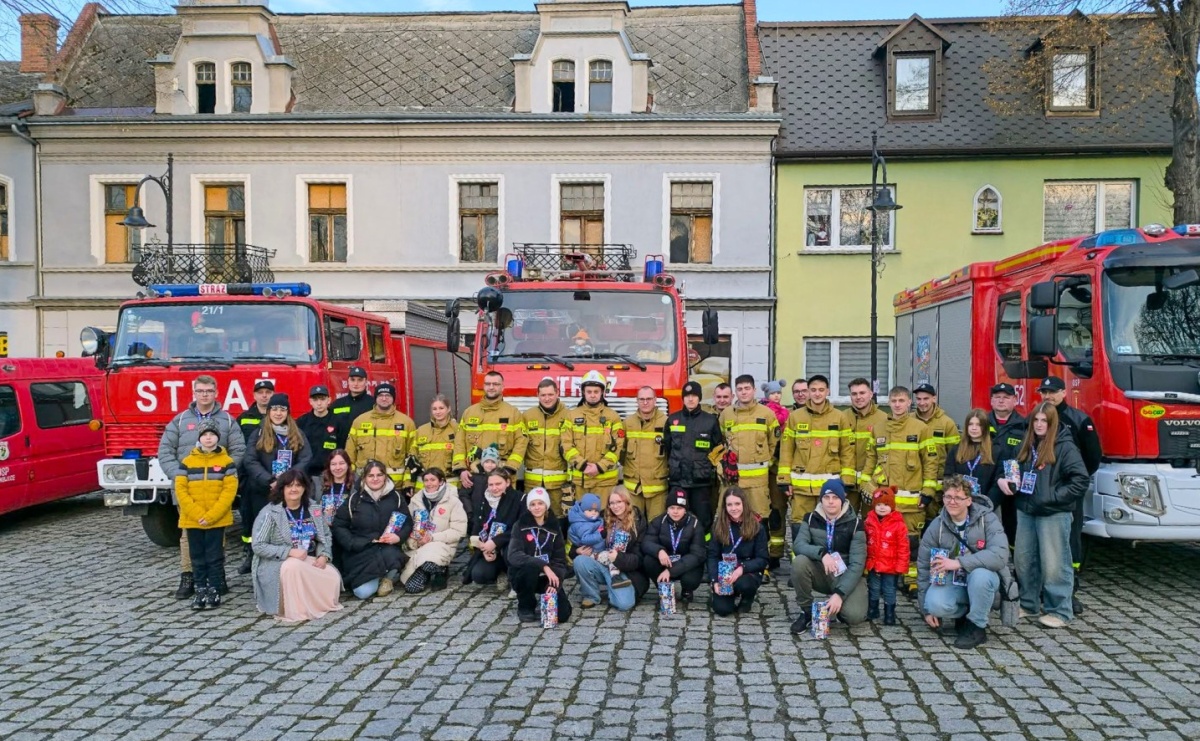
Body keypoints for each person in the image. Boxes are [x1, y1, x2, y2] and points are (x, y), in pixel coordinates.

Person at [157, 374, 245, 599]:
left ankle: (217, 577)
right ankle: (189, 576)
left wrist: (225, 473)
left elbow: (238, 450)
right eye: (200, 391)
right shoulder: (179, 421)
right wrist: (180, 475)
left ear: (216, 393)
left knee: (217, 533)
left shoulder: (227, 421)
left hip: (217, 489)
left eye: (209, 391)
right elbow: (165, 451)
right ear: (194, 393)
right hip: (188, 490)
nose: (205, 395)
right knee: (188, 534)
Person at [1012, 400, 1090, 628]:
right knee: (1024, 560)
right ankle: (1029, 603)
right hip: (1026, 510)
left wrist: (1052, 497)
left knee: (1055, 563)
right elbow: (1017, 471)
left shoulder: (1065, 446)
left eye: (1044, 421)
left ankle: (1060, 610)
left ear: (1052, 422)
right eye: (1035, 420)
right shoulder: (1028, 444)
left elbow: (1080, 479)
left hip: (1053, 513)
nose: (1039, 424)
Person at [917, 474, 1010, 649]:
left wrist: (959, 563)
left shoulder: (987, 519)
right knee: (934, 604)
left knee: (981, 576)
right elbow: (923, 567)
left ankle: (977, 626)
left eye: (958, 498)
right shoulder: (937, 525)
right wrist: (925, 610)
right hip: (954, 581)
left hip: (984, 580)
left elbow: (1000, 555)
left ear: (968, 500)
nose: (952, 502)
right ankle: (965, 614)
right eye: (948, 497)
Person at [1037, 375, 1101, 616]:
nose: (1048, 396)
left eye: (1052, 392)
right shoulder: (1036, 419)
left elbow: (1092, 458)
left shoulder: (1079, 420)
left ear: (1064, 393)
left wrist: (1073, 484)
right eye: (1044, 392)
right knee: (1043, 539)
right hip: (1041, 492)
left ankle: (1070, 589)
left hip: (1068, 493)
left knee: (1070, 539)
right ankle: (1042, 587)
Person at [250, 469, 344, 622]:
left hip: (309, 558)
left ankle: (314, 603)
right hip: (278, 563)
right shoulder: (270, 513)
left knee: (332, 575)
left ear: (305, 488)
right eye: (289, 486)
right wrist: (289, 552)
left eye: (298, 485)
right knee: (293, 566)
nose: (294, 489)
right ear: (282, 489)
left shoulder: (314, 509)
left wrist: (324, 555)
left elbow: (325, 536)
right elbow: (258, 546)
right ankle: (297, 608)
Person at [873, 386, 939, 586]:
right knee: (886, 540)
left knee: (911, 542)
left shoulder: (920, 428)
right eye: (894, 401)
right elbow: (871, 460)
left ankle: (911, 581)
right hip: (887, 501)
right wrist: (868, 487)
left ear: (909, 402)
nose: (897, 405)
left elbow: (930, 461)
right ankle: (888, 578)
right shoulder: (879, 428)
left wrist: (928, 491)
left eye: (901, 401)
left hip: (912, 500)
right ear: (888, 403)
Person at [174, 419, 239, 610]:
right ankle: (200, 589)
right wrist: (196, 514)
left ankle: (215, 589)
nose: (208, 438)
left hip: (216, 520)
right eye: (204, 435)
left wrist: (211, 516)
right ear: (199, 438)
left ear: (218, 437)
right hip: (193, 520)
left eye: (212, 434)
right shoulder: (187, 462)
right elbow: (181, 490)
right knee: (197, 557)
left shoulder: (227, 463)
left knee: (215, 557)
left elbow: (229, 492)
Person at [789, 479, 869, 633]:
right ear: (821, 499)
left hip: (846, 574)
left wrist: (839, 594)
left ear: (842, 500)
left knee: (854, 616)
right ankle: (806, 612)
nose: (830, 502)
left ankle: (840, 608)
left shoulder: (856, 524)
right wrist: (822, 554)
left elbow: (857, 564)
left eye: (835, 497)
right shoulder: (810, 518)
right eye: (826, 497)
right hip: (822, 571)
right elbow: (798, 545)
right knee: (799, 562)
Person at [243, 393, 313, 569]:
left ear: (288, 412)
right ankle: (257, 562)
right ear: (269, 411)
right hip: (263, 490)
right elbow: (250, 460)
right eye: (274, 409)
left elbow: (305, 458)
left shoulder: (297, 433)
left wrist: (289, 481)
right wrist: (269, 480)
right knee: (262, 527)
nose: (278, 413)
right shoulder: (259, 433)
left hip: (290, 490)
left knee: (287, 528)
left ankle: (289, 560)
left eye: (282, 409)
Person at [779, 374, 854, 526]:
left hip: (830, 491)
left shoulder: (840, 417)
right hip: (801, 489)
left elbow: (847, 452)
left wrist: (847, 482)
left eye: (821, 390)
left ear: (828, 391)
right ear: (808, 392)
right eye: (813, 390)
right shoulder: (795, 417)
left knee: (827, 528)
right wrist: (784, 480)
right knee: (800, 525)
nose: (817, 394)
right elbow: (786, 450)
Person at [331, 460, 411, 599]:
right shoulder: (354, 499)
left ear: (385, 476)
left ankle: (390, 576)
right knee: (363, 593)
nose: (375, 479)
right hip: (361, 551)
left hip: (387, 550)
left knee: (392, 557)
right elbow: (339, 524)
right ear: (364, 478)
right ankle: (384, 576)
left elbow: (407, 522)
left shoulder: (396, 498)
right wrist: (351, 543)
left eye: (379, 475)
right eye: (371, 475)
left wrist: (398, 537)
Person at [719, 374, 781, 529]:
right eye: (740, 389)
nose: (743, 392)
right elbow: (721, 442)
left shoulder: (766, 414)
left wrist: (767, 462)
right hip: (733, 480)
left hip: (758, 483)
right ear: (735, 392)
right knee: (731, 519)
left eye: (747, 388)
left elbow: (774, 443)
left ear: (754, 390)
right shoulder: (726, 414)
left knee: (759, 520)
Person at [572, 487, 648, 611]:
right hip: (602, 563)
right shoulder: (602, 517)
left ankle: (615, 590)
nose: (615, 506)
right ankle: (591, 596)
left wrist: (618, 558)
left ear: (627, 502)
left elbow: (639, 559)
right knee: (580, 561)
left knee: (624, 604)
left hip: (625, 570)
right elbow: (583, 536)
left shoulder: (638, 522)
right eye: (612, 503)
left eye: (619, 502)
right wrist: (576, 550)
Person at [663, 381, 723, 530]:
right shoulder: (672, 420)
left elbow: (717, 449)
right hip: (678, 482)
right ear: (683, 398)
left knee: (703, 521)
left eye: (694, 396)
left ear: (699, 398)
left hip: (701, 483)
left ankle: (704, 544)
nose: (690, 399)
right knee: (677, 519)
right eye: (687, 396)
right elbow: (668, 448)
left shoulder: (710, 421)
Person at [508, 487, 573, 624]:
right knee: (530, 567)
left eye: (540, 503)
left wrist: (554, 582)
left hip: (547, 576)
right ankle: (526, 605)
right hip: (524, 574)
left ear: (546, 505)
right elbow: (514, 555)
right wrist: (543, 566)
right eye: (533, 504)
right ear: (528, 507)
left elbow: (559, 559)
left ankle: (549, 597)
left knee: (562, 615)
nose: (537, 507)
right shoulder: (519, 525)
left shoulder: (554, 527)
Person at [453, 371, 528, 489]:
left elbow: (521, 442)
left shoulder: (513, 413)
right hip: (474, 476)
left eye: (496, 384)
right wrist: (461, 469)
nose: (491, 387)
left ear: (502, 387)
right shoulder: (469, 412)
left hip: (502, 475)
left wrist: (509, 468)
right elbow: (459, 443)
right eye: (488, 384)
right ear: (483, 386)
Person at [561, 370, 625, 508]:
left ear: (602, 393)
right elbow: (566, 445)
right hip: (579, 483)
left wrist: (599, 467)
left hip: (605, 484)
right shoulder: (571, 416)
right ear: (583, 392)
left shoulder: (613, 417)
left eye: (596, 391)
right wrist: (583, 466)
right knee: (580, 518)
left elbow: (618, 447)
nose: (592, 395)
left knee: (605, 518)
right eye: (589, 391)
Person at [399, 467, 468, 593]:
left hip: (441, 544)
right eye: (426, 480)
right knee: (412, 587)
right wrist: (412, 537)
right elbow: (407, 524)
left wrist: (432, 538)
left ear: (441, 481)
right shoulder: (416, 500)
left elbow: (459, 531)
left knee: (429, 561)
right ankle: (425, 570)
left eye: (433, 480)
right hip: (418, 546)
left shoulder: (453, 501)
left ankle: (441, 570)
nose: (429, 483)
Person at [707, 486, 769, 615]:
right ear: (724, 506)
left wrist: (742, 568)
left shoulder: (757, 526)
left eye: (737, 504)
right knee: (722, 610)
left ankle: (747, 598)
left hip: (747, 571)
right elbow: (712, 556)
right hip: (725, 572)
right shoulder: (718, 525)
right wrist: (714, 581)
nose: (733, 508)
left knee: (745, 584)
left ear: (744, 504)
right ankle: (730, 594)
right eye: (729, 505)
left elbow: (762, 559)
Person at [641, 489, 706, 605]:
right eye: (672, 508)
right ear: (667, 509)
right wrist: (659, 551)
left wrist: (670, 571)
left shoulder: (695, 524)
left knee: (691, 578)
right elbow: (646, 542)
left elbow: (697, 555)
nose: (675, 512)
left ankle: (687, 591)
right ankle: (664, 588)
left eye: (679, 508)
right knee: (648, 560)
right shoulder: (658, 521)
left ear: (685, 510)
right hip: (666, 560)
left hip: (685, 563)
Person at [346, 382, 417, 487]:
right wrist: (350, 479)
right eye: (380, 395)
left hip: (395, 486)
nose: (384, 398)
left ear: (393, 398)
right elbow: (349, 453)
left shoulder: (407, 423)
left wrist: (408, 484)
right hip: (364, 485)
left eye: (388, 395)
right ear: (375, 398)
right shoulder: (359, 421)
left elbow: (413, 456)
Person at [463, 468, 523, 587]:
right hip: (491, 548)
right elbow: (478, 525)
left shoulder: (519, 499)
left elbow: (520, 528)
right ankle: (501, 572)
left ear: (507, 482)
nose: (494, 488)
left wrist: (495, 542)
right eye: (491, 484)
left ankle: (513, 576)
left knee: (510, 552)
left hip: (510, 545)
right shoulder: (485, 499)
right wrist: (483, 547)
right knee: (479, 575)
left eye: (498, 484)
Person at [522, 378, 571, 516]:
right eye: (543, 395)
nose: (547, 398)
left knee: (557, 518)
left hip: (558, 484)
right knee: (532, 517)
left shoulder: (568, 416)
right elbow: (520, 444)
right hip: (532, 483)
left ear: (557, 393)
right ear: (537, 395)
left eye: (550, 394)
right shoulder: (527, 416)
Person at [913, 383, 961, 520]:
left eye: (926, 399)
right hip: (914, 483)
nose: (922, 403)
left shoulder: (947, 423)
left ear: (934, 398)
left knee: (935, 522)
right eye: (919, 399)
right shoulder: (909, 420)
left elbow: (956, 456)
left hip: (938, 487)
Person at [621, 386, 669, 520]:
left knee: (657, 525)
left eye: (649, 399)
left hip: (657, 488)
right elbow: (621, 452)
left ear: (655, 400)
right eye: (641, 399)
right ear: (637, 401)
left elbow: (671, 453)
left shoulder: (666, 422)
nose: (645, 402)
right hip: (633, 488)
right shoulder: (628, 423)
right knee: (633, 525)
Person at [864, 486, 909, 625]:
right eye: (878, 505)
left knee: (889, 590)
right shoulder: (869, 521)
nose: (882, 508)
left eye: (886, 504)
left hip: (891, 566)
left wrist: (901, 566)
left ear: (892, 506)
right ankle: (873, 610)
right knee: (874, 588)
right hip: (874, 563)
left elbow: (903, 547)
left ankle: (889, 613)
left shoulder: (899, 524)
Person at [989, 383, 1026, 544]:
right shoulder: (981, 423)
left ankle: (1014, 557)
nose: (1001, 400)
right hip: (987, 484)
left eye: (1006, 397)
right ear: (991, 401)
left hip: (1012, 486)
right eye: (997, 397)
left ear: (1015, 400)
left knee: (1013, 528)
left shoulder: (1024, 425)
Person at [944, 409, 1000, 508]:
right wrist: (956, 500)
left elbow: (997, 483)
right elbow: (948, 476)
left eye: (978, 425)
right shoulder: (956, 449)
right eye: (971, 424)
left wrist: (987, 505)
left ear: (985, 427)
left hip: (985, 507)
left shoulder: (995, 450)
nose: (974, 428)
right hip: (959, 504)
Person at [846, 377, 886, 509]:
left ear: (870, 394)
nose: (858, 397)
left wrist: (877, 479)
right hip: (848, 484)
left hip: (873, 483)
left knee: (871, 519)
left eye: (862, 393)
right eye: (854, 394)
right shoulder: (842, 418)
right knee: (846, 518)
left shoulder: (883, 419)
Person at [297, 384, 349, 477]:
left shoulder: (339, 422)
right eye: (315, 400)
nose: (319, 403)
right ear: (310, 401)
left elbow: (343, 448)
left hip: (330, 472)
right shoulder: (302, 421)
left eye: (322, 399)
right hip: (305, 472)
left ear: (329, 400)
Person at [316, 449, 355, 568]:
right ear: (329, 466)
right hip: (325, 531)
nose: (337, 468)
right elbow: (312, 507)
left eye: (341, 463)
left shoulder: (356, 485)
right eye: (333, 464)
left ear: (348, 465)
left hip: (348, 531)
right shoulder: (318, 483)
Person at [413, 395, 459, 495]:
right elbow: (412, 459)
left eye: (441, 408)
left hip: (450, 487)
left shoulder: (458, 430)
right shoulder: (421, 431)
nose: (438, 412)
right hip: (424, 488)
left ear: (448, 409)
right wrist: (408, 484)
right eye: (434, 409)